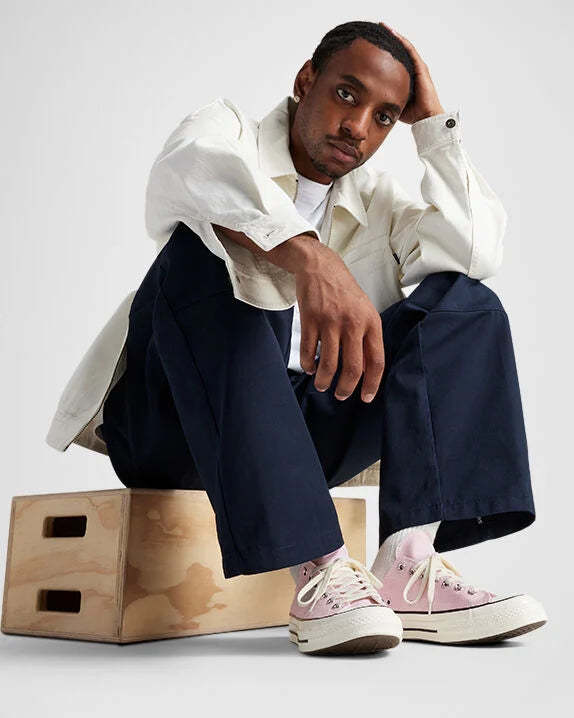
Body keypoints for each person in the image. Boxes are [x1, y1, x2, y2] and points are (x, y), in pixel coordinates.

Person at [47, 20, 548, 655]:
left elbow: (474, 252)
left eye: (384, 116)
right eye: (347, 94)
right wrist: (311, 258)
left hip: (293, 431)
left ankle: (408, 562)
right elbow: (191, 173)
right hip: (172, 425)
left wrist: (432, 127)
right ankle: (319, 571)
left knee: (465, 303)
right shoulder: (227, 130)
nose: (358, 127)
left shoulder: (378, 200)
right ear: (306, 80)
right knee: (208, 251)